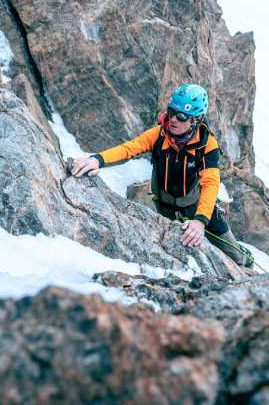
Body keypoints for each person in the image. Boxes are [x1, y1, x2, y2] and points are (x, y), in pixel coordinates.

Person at [71, 83, 254, 268]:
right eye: (172, 111)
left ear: (196, 119)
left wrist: (200, 221)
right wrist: (97, 159)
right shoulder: (159, 135)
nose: (174, 119)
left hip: (199, 209)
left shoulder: (206, 145)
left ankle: (247, 262)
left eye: (182, 116)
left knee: (237, 257)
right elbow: (129, 149)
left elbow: (211, 183)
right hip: (166, 209)